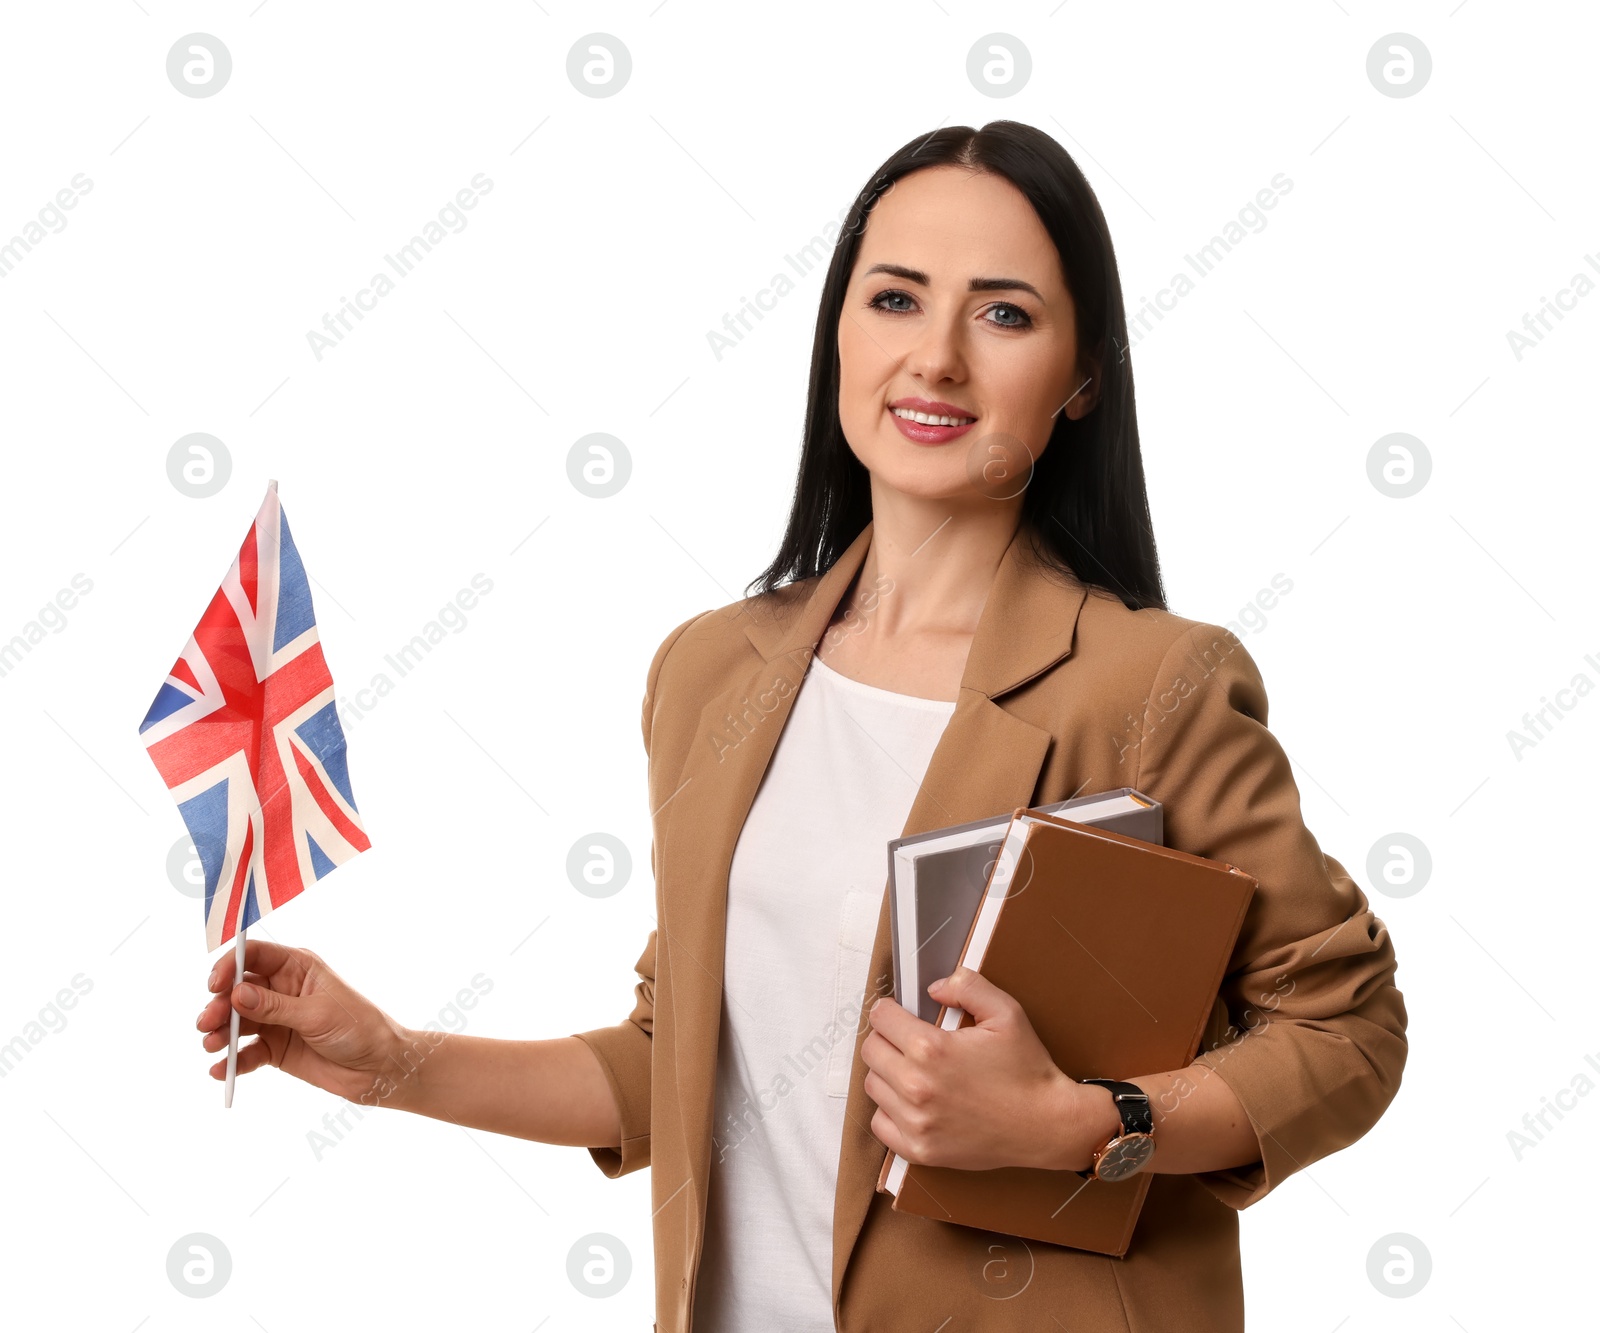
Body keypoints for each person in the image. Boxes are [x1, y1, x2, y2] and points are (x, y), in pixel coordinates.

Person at [197, 120, 1408, 1333]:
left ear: (1083, 376)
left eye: (1003, 315)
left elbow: (1346, 1029)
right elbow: (681, 1064)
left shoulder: (1154, 686)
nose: (933, 358)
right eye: (894, 298)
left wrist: (1079, 1123)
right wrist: (395, 1057)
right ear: (838, 331)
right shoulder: (710, 674)